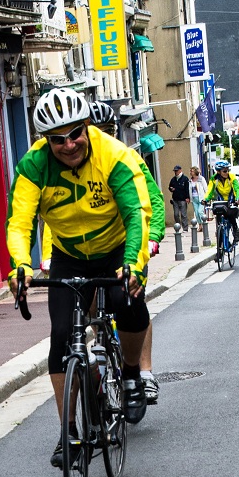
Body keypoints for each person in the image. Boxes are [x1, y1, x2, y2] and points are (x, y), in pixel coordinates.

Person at [6, 88, 152, 468]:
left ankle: (133, 373)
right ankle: (69, 434)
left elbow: (137, 213)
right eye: (57, 140)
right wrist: (20, 264)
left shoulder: (114, 156)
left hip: (116, 247)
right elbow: (19, 222)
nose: (68, 145)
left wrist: (134, 265)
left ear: (87, 127)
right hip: (69, 257)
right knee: (60, 336)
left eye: (75, 134)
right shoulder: (34, 166)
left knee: (127, 303)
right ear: (45, 140)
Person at [88, 100, 162, 404]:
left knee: (133, 301)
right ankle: (100, 342)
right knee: (87, 300)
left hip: (130, 242)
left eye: (106, 131)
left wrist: (152, 238)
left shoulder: (128, 159)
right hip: (95, 248)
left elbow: (153, 202)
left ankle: (144, 372)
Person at [202, 160, 239, 247]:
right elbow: (209, 190)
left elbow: (237, 189)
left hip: (231, 201)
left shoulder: (232, 177)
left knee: (231, 215)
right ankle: (220, 248)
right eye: (224, 171)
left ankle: (235, 230)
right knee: (219, 223)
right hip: (220, 202)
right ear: (218, 172)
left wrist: (237, 198)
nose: (227, 172)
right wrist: (205, 199)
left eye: (228, 170)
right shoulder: (214, 179)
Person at [169, 164, 190, 231]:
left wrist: (187, 197)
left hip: (183, 199)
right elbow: (170, 187)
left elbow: (187, 189)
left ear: (180, 170)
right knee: (176, 214)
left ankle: (185, 228)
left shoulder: (185, 179)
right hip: (175, 199)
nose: (175, 172)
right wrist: (171, 189)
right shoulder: (173, 179)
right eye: (175, 171)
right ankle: (178, 226)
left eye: (177, 171)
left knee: (183, 214)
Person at [189, 166, 208, 230]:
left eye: (192, 171)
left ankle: (204, 224)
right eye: (191, 171)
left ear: (195, 172)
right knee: (196, 213)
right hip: (194, 198)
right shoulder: (190, 180)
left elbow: (206, 188)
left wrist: (206, 197)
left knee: (200, 211)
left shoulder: (201, 179)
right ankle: (200, 225)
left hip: (201, 198)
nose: (191, 172)